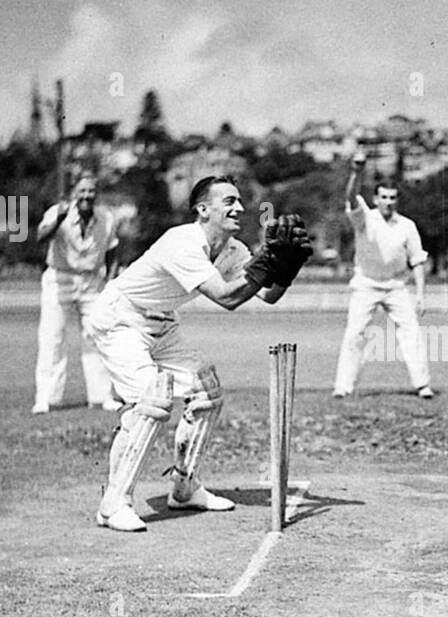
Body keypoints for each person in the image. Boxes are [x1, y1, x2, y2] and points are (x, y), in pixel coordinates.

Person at [86, 174, 312, 532]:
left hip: (162, 323)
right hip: (121, 318)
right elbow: (226, 297)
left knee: (206, 390)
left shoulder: (234, 250)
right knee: (152, 401)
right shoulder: (182, 242)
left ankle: (185, 487)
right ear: (202, 209)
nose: (239, 208)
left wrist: (288, 265)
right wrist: (267, 263)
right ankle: (113, 503)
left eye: (239, 201)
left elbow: (268, 295)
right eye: (229, 202)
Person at [332, 153, 434, 399]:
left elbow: (417, 260)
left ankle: (423, 385)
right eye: (384, 198)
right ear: (376, 199)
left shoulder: (407, 225)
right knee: (355, 333)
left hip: (397, 286)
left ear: (397, 200)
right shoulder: (364, 218)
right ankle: (343, 387)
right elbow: (350, 196)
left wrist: (420, 295)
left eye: (392, 198)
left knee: (411, 331)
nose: (388, 202)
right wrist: (357, 171)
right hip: (366, 284)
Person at [32, 173, 121, 414]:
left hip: (92, 281)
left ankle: (102, 396)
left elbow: (112, 250)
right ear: (73, 194)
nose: (87, 196)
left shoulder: (106, 218)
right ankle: (46, 398)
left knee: (97, 336)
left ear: (96, 194)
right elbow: (40, 238)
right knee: (53, 338)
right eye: (82, 191)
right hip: (60, 278)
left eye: (91, 191)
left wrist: (111, 280)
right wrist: (59, 218)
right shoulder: (56, 212)